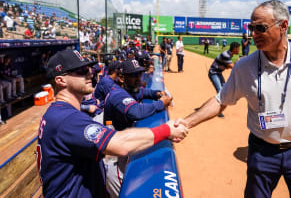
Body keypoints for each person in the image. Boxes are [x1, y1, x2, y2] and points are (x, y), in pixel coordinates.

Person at [175, 0, 291, 197]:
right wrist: (186, 122)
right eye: (251, 28)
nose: (253, 34)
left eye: (260, 28)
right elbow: (220, 101)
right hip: (262, 152)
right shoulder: (244, 66)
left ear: (283, 26)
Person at [37, 49, 187, 197]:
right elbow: (121, 145)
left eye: (88, 68)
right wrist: (167, 130)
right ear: (60, 80)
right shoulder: (66, 118)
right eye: (81, 70)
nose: (90, 73)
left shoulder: (59, 114)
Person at [104, 59, 172, 131]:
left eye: (140, 74)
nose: (139, 78)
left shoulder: (130, 88)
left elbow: (146, 92)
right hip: (116, 139)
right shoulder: (117, 94)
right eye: (134, 75)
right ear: (121, 78)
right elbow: (136, 112)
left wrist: (158, 93)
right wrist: (161, 103)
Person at [208, 42, 240, 118]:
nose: (239, 50)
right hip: (214, 73)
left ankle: (217, 107)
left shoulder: (230, 55)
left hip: (218, 73)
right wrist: (239, 62)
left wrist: (236, 63)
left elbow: (228, 66)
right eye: (238, 48)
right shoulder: (226, 55)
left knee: (224, 90)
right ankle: (218, 111)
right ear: (234, 49)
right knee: (220, 91)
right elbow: (232, 67)